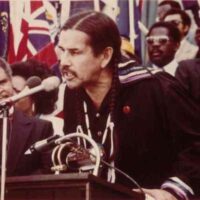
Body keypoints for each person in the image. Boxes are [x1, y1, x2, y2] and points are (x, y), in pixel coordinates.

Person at [57, 11, 200, 200]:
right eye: (61, 51)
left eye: (75, 52)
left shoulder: (155, 88)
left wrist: (173, 191)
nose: (63, 62)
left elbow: (195, 146)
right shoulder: (72, 91)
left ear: (105, 56)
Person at [0, 58, 54, 176]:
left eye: (3, 82)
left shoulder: (40, 128)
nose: (0, 90)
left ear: (10, 82)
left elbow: (47, 174)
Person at [11, 59, 64, 136]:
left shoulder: (55, 126)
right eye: (9, 90)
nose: (10, 96)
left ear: (34, 98)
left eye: (17, 91)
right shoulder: (5, 125)